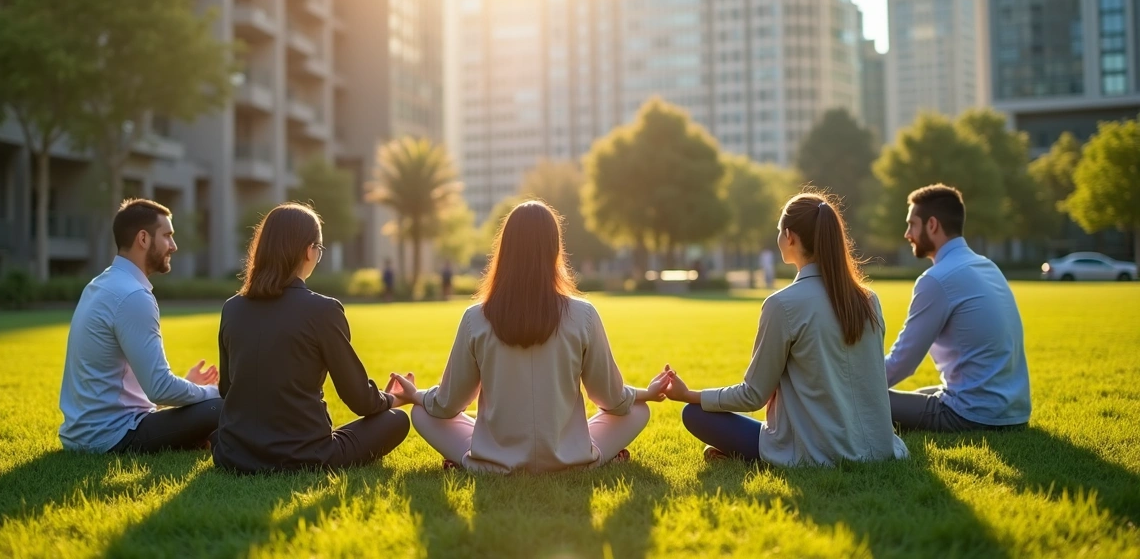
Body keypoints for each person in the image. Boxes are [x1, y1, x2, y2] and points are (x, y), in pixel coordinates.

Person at [387, 201, 669, 473]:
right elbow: (611, 398)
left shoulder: (476, 317)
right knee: (639, 410)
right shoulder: (583, 315)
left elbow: (448, 405)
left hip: (495, 462)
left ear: (505, 249)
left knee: (423, 414)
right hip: (570, 459)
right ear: (554, 249)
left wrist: (417, 396)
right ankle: (586, 455)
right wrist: (646, 393)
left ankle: (476, 460)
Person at [662, 193, 908, 466]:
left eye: (779, 231)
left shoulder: (782, 304)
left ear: (789, 236)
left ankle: (740, 452)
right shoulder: (869, 300)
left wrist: (688, 395)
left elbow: (752, 395)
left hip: (816, 452)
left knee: (694, 414)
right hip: (879, 447)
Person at [213, 203, 409, 473]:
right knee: (396, 420)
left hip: (233, 455)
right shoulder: (323, 310)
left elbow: (227, 390)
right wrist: (391, 398)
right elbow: (360, 400)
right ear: (309, 250)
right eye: (319, 249)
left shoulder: (232, 308)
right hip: (304, 456)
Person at [59, 199, 221, 453]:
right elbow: (160, 389)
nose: (174, 246)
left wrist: (189, 387)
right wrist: (213, 391)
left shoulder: (102, 285)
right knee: (224, 405)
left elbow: (134, 385)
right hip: (111, 438)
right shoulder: (133, 295)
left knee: (210, 406)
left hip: (82, 435)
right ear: (143, 239)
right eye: (167, 235)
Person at [884, 184, 1030, 432]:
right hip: (1013, 413)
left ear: (932, 225)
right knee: (914, 395)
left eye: (912, 224)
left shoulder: (937, 279)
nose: (907, 234)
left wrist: (851, 384)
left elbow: (902, 363)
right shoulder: (987, 267)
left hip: (971, 416)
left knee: (860, 399)